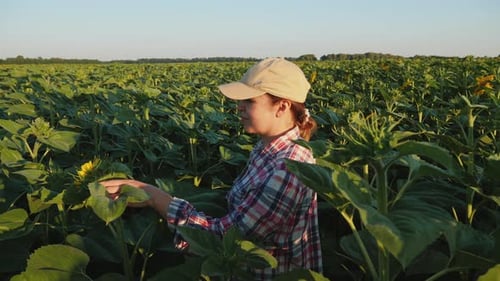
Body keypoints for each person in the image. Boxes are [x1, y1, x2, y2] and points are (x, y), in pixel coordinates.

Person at [100, 57, 323, 279]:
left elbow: (223, 241)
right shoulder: (267, 148)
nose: (239, 107)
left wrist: (156, 197)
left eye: (249, 101)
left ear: (281, 107)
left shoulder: (290, 167)